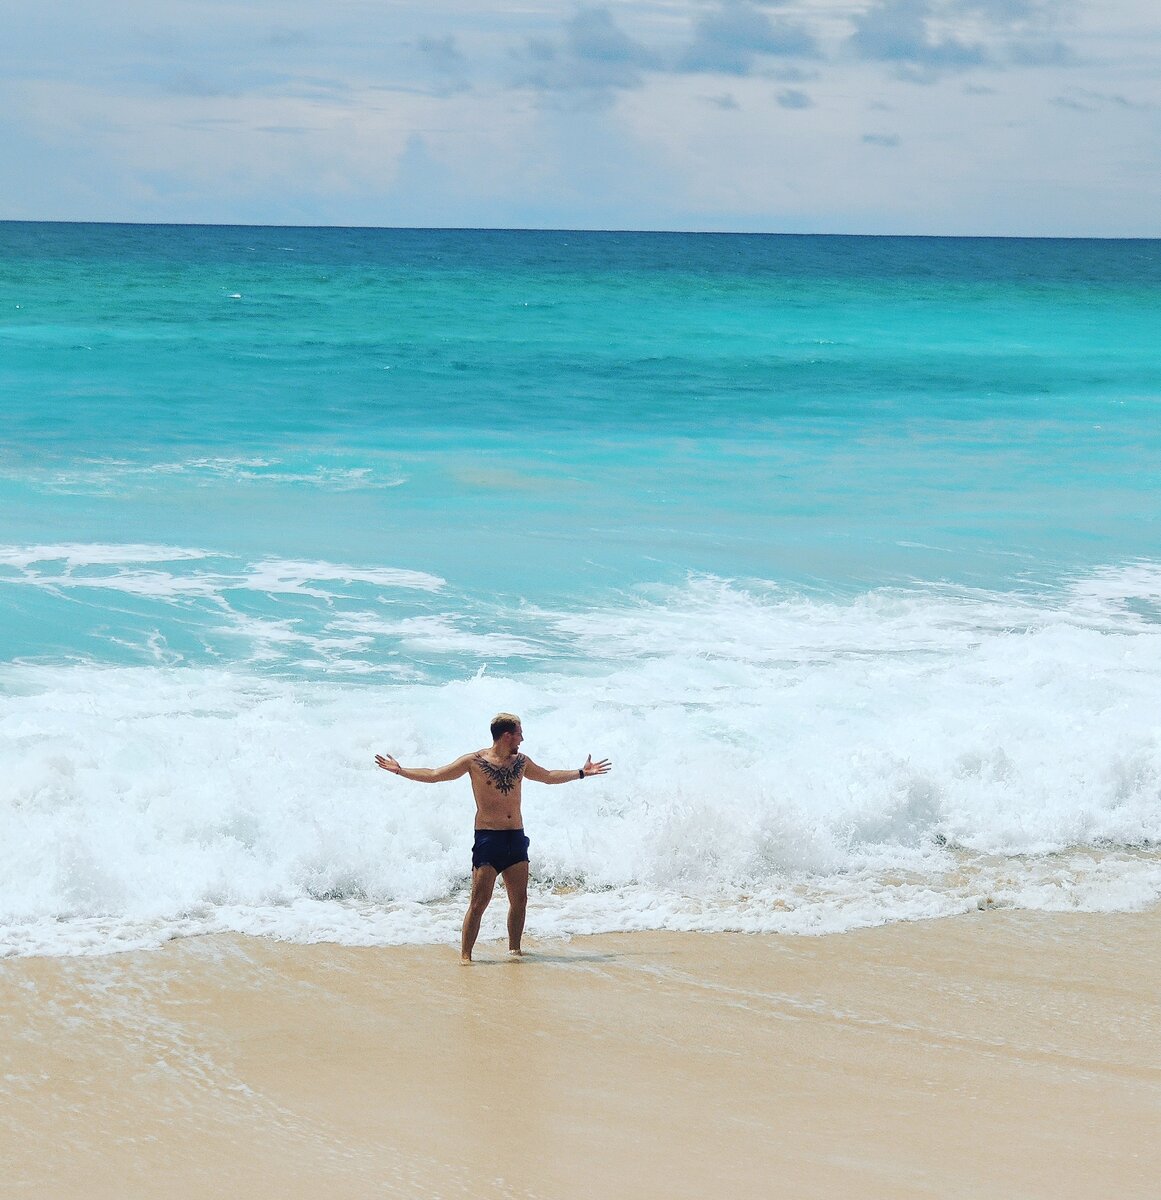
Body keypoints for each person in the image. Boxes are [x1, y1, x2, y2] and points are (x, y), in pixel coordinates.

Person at [375, 713, 611, 963]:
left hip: (516, 838)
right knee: (479, 903)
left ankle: (514, 952)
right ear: (507, 735)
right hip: (488, 840)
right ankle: (465, 958)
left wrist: (581, 773)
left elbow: (548, 776)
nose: (522, 739)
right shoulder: (474, 761)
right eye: (519, 734)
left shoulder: (521, 762)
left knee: (519, 901)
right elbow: (435, 774)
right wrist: (400, 771)